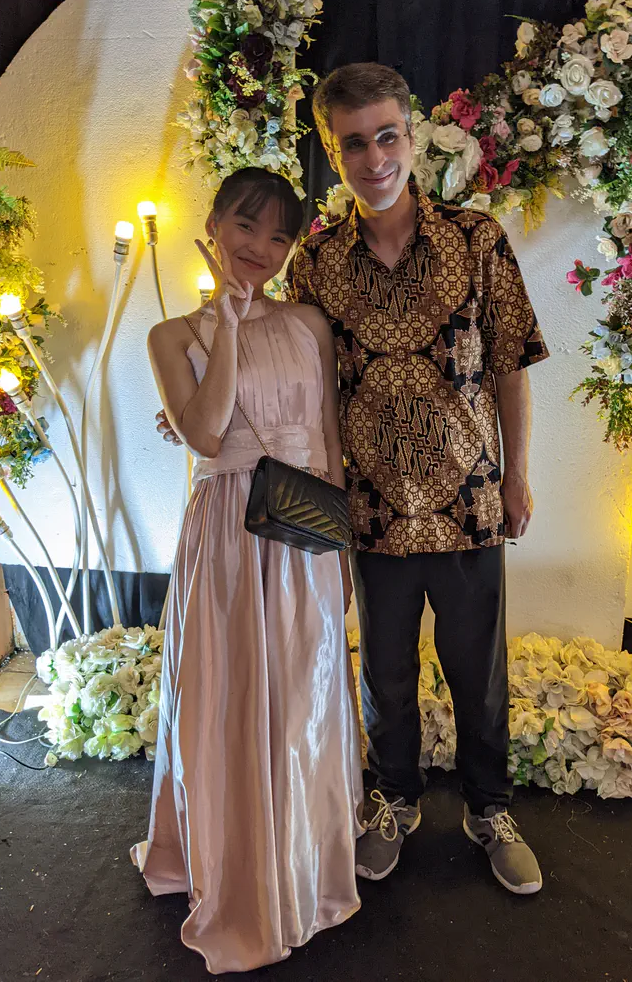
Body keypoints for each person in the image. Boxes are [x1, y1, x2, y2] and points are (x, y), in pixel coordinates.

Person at [286, 63, 549, 895]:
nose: (374, 158)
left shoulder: (477, 237)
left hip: (470, 502)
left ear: (413, 133)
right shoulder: (315, 260)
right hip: (371, 509)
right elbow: (299, 382)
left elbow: (510, 368)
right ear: (334, 152)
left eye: (387, 135)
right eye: (353, 143)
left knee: (479, 669)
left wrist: (517, 476)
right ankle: (394, 801)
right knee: (385, 676)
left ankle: (488, 809)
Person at [133, 167, 362, 975]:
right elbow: (202, 432)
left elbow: (330, 438)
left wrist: (336, 549)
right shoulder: (172, 334)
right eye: (244, 227)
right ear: (213, 226)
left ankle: (303, 855)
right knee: (230, 695)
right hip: (228, 530)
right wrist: (225, 324)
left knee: (302, 693)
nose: (259, 249)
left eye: (277, 236)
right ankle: (235, 866)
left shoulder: (308, 322)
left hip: (301, 532)